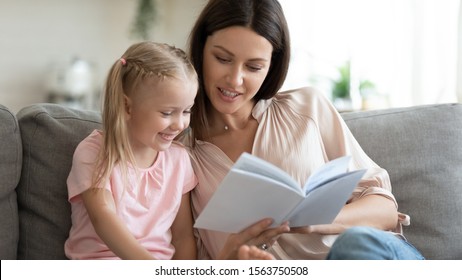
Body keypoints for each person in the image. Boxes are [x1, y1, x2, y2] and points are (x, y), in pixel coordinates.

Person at [181, 0, 425, 260]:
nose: (235, 79)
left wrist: (318, 220)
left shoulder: (306, 108)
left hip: (367, 256)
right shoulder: (179, 155)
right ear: (201, 50)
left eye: (253, 67)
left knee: (353, 245)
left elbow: (385, 211)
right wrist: (229, 257)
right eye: (222, 58)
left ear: (272, 66)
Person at [64, 42, 199, 259]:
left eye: (186, 111)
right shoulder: (95, 152)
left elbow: (183, 236)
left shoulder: (179, 160)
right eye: (167, 113)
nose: (179, 124)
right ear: (127, 107)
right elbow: (103, 219)